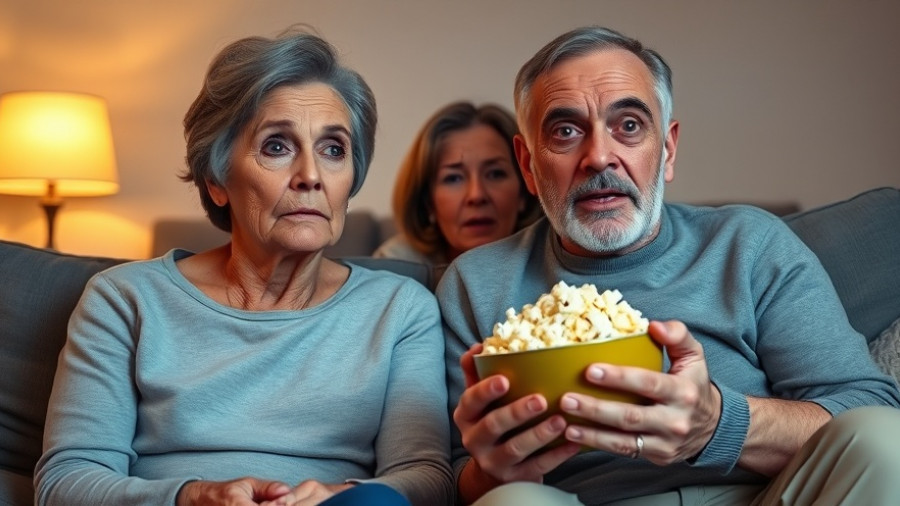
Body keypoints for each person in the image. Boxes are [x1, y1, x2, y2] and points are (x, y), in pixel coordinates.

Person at [439, 25, 900, 505]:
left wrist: (717, 423)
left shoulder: (750, 244)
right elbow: (457, 479)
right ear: (529, 165)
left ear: (668, 149)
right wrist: (493, 473)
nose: (599, 157)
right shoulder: (475, 284)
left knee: (885, 442)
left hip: (766, 497)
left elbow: (870, 411)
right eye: (566, 131)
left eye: (630, 126)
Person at [34, 30, 452, 506]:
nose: (311, 176)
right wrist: (194, 497)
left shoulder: (399, 310)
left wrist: (339, 494)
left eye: (334, 149)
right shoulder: (125, 298)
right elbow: (66, 481)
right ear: (216, 179)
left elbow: (426, 478)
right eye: (277, 146)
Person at [373, 101, 541, 275]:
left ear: (524, 190)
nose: (476, 195)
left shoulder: (552, 264)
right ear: (427, 201)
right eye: (453, 178)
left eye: (495, 174)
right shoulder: (395, 268)